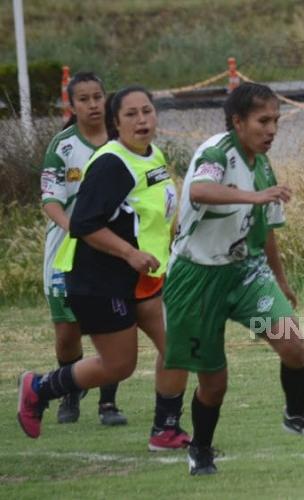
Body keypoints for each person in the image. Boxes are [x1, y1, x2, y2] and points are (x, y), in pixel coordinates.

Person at [164, 82, 304, 476]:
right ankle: (201, 450)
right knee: (214, 385)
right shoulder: (216, 153)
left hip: (245, 273)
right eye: (263, 121)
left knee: (293, 346)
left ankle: (296, 415)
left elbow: (267, 228)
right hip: (197, 280)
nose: (272, 129)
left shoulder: (262, 162)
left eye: (276, 120)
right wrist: (253, 197)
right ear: (238, 122)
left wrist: (280, 279)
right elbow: (198, 191)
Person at [18, 86, 190, 451]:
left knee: (179, 346)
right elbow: (83, 223)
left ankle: (166, 429)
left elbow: (156, 213)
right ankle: (39, 388)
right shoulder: (112, 163)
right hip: (101, 281)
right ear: (115, 122)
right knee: (118, 367)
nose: (142, 119)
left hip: (144, 278)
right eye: (131, 114)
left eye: (147, 110)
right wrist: (130, 253)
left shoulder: (152, 154)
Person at [40, 72, 127, 426]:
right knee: (67, 332)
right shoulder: (62, 147)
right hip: (67, 253)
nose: (93, 105)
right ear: (71, 105)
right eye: (84, 99)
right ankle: (71, 390)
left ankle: (109, 402)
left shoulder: (122, 144)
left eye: (98, 97)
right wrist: (76, 229)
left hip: (112, 250)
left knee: (115, 327)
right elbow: (50, 201)